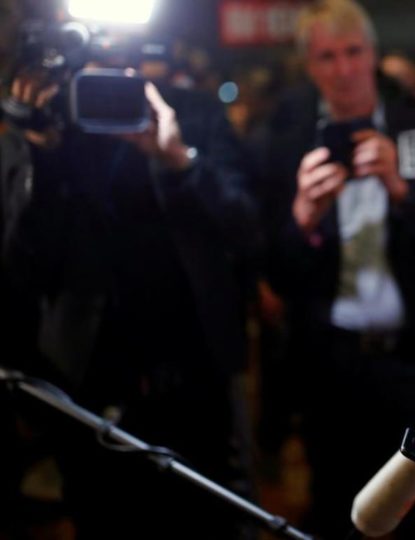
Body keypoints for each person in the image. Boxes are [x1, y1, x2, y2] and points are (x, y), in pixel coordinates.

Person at [1, 61, 258, 539]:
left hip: (195, 380)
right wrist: (42, 153)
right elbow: (21, 266)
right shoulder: (49, 120)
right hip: (88, 389)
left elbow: (245, 228)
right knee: (105, 518)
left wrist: (178, 158)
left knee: (212, 519)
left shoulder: (193, 111)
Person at [259, 1, 415, 538]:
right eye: (327, 56)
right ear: (310, 65)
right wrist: (303, 219)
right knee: (341, 510)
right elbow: (273, 271)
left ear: (372, 54)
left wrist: (401, 192)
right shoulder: (285, 141)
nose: (344, 68)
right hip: (332, 365)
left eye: (353, 52)